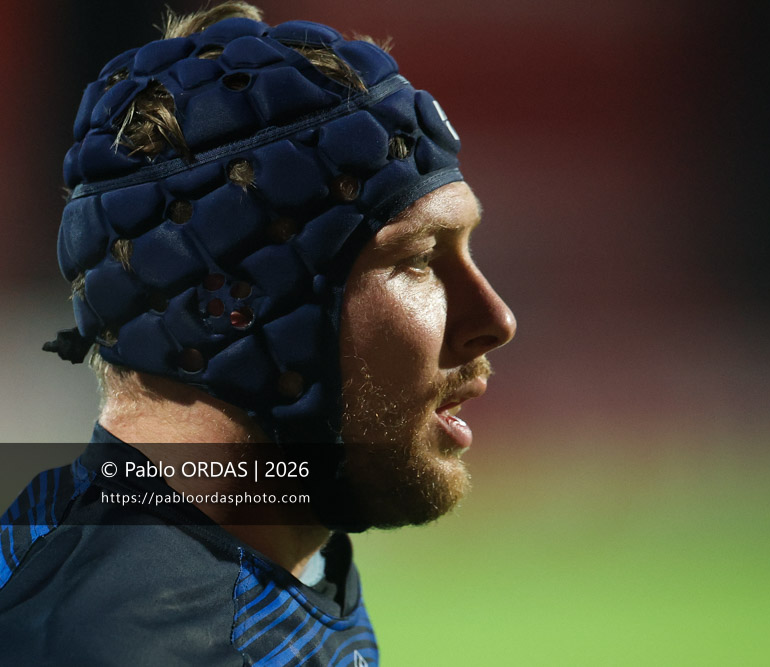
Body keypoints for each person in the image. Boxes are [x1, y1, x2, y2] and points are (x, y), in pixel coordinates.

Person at [0, 2, 515, 664]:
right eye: (418, 260)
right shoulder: (123, 645)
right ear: (231, 304)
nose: (495, 320)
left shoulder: (257, 577)